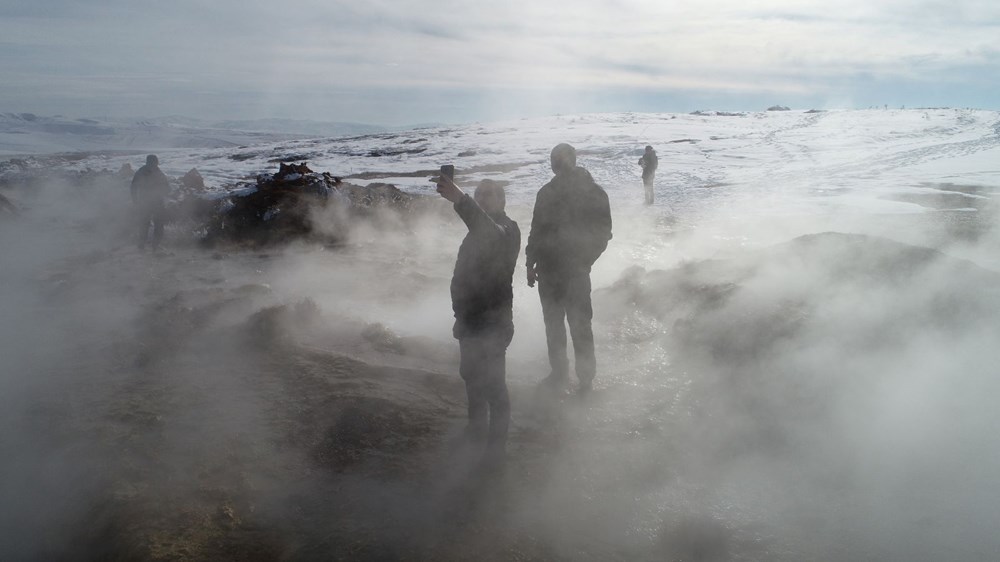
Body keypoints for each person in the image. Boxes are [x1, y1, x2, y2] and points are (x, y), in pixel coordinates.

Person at [436, 174, 521, 463]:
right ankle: (476, 429)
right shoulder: (476, 232)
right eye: (478, 194)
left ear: (501, 201)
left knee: (494, 385)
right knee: (471, 377)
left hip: (494, 322)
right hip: (470, 320)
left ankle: (496, 448)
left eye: (488, 195)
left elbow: (491, 234)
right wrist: (459, 316)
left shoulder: (508, 230)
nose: (482, 198)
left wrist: (462, 200)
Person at [526, 143, 612, 394]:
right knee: (553, 324)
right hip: (548, 271)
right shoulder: (545, 193)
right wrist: (530, 263)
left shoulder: (594, 193)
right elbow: (536, 231)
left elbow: (603, 233)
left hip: (576, 272)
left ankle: (586, 379)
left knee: (580, 324)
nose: (558, 163)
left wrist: (584, 261)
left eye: (562, 158)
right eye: (555, 159)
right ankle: (558, 372)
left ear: (573, 160)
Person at [130, 154, 170, 250]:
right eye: (154, 162)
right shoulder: (148, 172)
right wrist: (135, 200)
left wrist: (135, 200)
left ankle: (150, 246)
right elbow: (133, 186)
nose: (155, 164)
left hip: (152, 201)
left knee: (152, 224)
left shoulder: (151, 171)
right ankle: (148, 245)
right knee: (148, 224)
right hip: (148, 202)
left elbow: (166, 187)